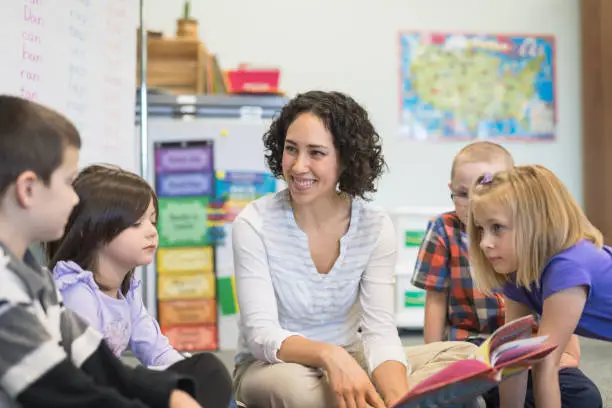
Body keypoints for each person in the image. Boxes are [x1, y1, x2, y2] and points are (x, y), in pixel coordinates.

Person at [231, 90, 482, 408]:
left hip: (354, 358)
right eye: (291, 149)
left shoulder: (374, 227)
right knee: (297, 393)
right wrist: (329, 355)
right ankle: (388, 397)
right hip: (274, 367)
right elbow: (261, 335)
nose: (298, 166)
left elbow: (379, 330)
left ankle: (383, 399)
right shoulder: (254, 223)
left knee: (467, 356)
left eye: (316, 153)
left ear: (345, 160)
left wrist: (397, 396)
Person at [0, 95, 200, 407]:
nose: (73, 200)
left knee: (203, 372)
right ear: (28, 189)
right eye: (67, 183)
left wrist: (171, 393)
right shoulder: (9, 288)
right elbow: (65, 390)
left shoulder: (29, 276)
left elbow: (99, 361)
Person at [412, 143, 601, 407]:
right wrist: (432, 354)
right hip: (471, 348)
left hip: (530, 350)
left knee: (582, 396)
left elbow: (557, 314)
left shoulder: (550, 256)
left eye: (497, 228)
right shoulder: (444, 230)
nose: (485, 243)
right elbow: (436, 299)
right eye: (463, 194)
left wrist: (565, 353)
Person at [45, 164, 234, 408]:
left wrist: (186, 381)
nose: (152, 232)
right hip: (89, 396)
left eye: (152, 221)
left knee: (205, 370)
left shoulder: (127, 292)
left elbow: (157, 351)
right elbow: (87, 374)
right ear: (90, 230)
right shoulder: (76, 292)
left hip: (115, 388)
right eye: (136, 224)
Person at [468, 164, 611, 408]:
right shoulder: (518, 273)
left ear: (536, 223)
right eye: (481, 229)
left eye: (497, 228)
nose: (484, 243)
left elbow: (546, 363)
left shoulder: (567, 268)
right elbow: (513, 353)